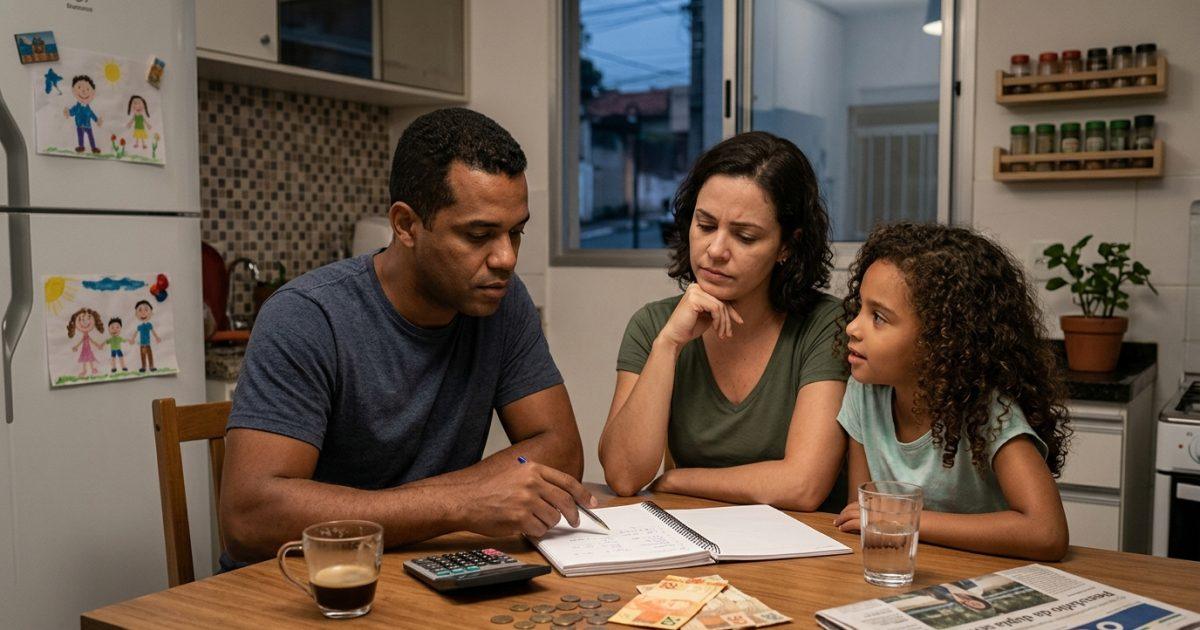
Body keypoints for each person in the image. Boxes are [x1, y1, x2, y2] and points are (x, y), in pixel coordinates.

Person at [220, 108, 593, 564]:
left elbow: (561, 450)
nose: (506, 259)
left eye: (516, 233)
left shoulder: (502, 301)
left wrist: (437, 507)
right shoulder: (306, 316)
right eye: (479, 234)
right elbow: (249, 518)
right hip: (308, 588)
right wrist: (460, 503)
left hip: (424, 564)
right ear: (405, 225)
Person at [599, 131, 849, 511]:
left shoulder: (823, 325)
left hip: (805, 552)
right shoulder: (654, 324)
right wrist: (668, 345)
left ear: (786, 246)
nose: (715, 251)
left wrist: (677, 479)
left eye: (745, 237)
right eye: (705, 225)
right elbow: (624, 476)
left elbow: (802, 485)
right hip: (699, 542)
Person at [832, 223, 1070, 561]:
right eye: (859, 308)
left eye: (879, 317)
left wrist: (907, 520)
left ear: (941, 339)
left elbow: (1047, 533)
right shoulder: (863, 392)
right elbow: (864, 514)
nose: (852, 327)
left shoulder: (988, 411)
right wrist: (887, 519)